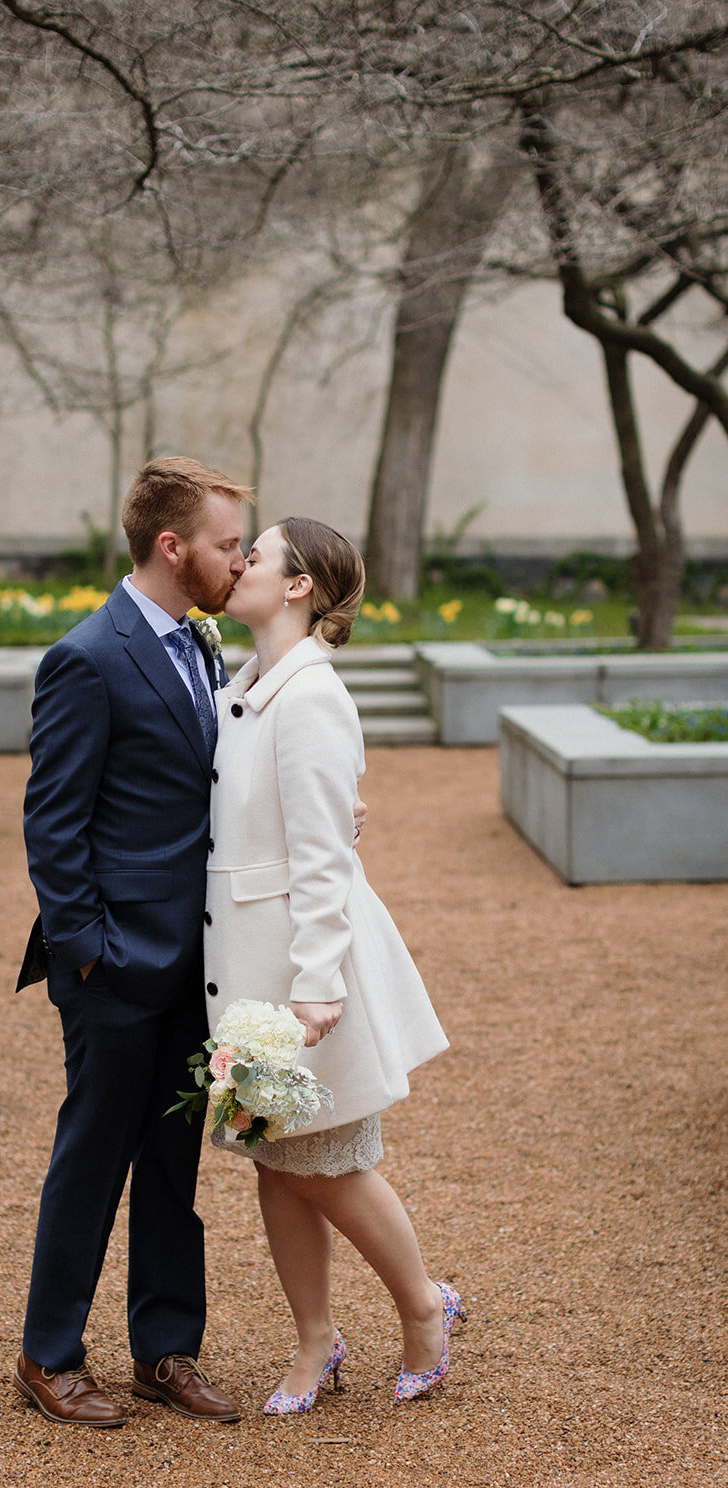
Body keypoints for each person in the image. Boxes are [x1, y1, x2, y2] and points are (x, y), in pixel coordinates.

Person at [203, 516, 464, 1414]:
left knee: (333, 1162)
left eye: (257, 556)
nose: (238, 566)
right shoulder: (244, 682)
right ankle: (316, 1342)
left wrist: (317, 981)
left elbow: (320, 858)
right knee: (275, 1158)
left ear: (299, 585)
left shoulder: (310, 695)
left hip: (299, 965)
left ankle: (424, 1307)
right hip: (245, 962)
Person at [13, 456, 254, 1427]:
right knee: (91, 1159)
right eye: (226, 544)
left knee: (171, 1164)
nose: (236, 561)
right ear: (171, 545)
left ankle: (164, 1346)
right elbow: (51, 821)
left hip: (196, 963)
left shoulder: (198, 645)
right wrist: (84, 951)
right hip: (112, 967)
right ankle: (47, 1354)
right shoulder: (86, 656)